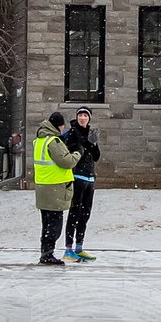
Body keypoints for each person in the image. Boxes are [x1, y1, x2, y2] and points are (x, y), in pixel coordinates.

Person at [32, 112, 82, 266]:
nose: (63, 128)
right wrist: (77, 153)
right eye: (62, 125)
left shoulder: (39, 140)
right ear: (56, 125)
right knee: (54, 225)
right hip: (55, 188)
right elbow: (66, 161)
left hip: (43, 187)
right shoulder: (53, 141)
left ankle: (45, 253)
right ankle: (48, 255)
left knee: (46, 223)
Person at [62, 106, 101, 262]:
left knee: (85, 214)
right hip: (77, 176)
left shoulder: (91, 134)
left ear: (89, 118)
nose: (82, 118)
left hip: (90, 178)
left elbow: (97, 156)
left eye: (85, 115)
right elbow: (65, 150)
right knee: (74, 213)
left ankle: (79, 247)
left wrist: (92, 144)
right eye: (80, 115)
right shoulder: (71, 133)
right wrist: (80, 147)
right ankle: (68, 249)